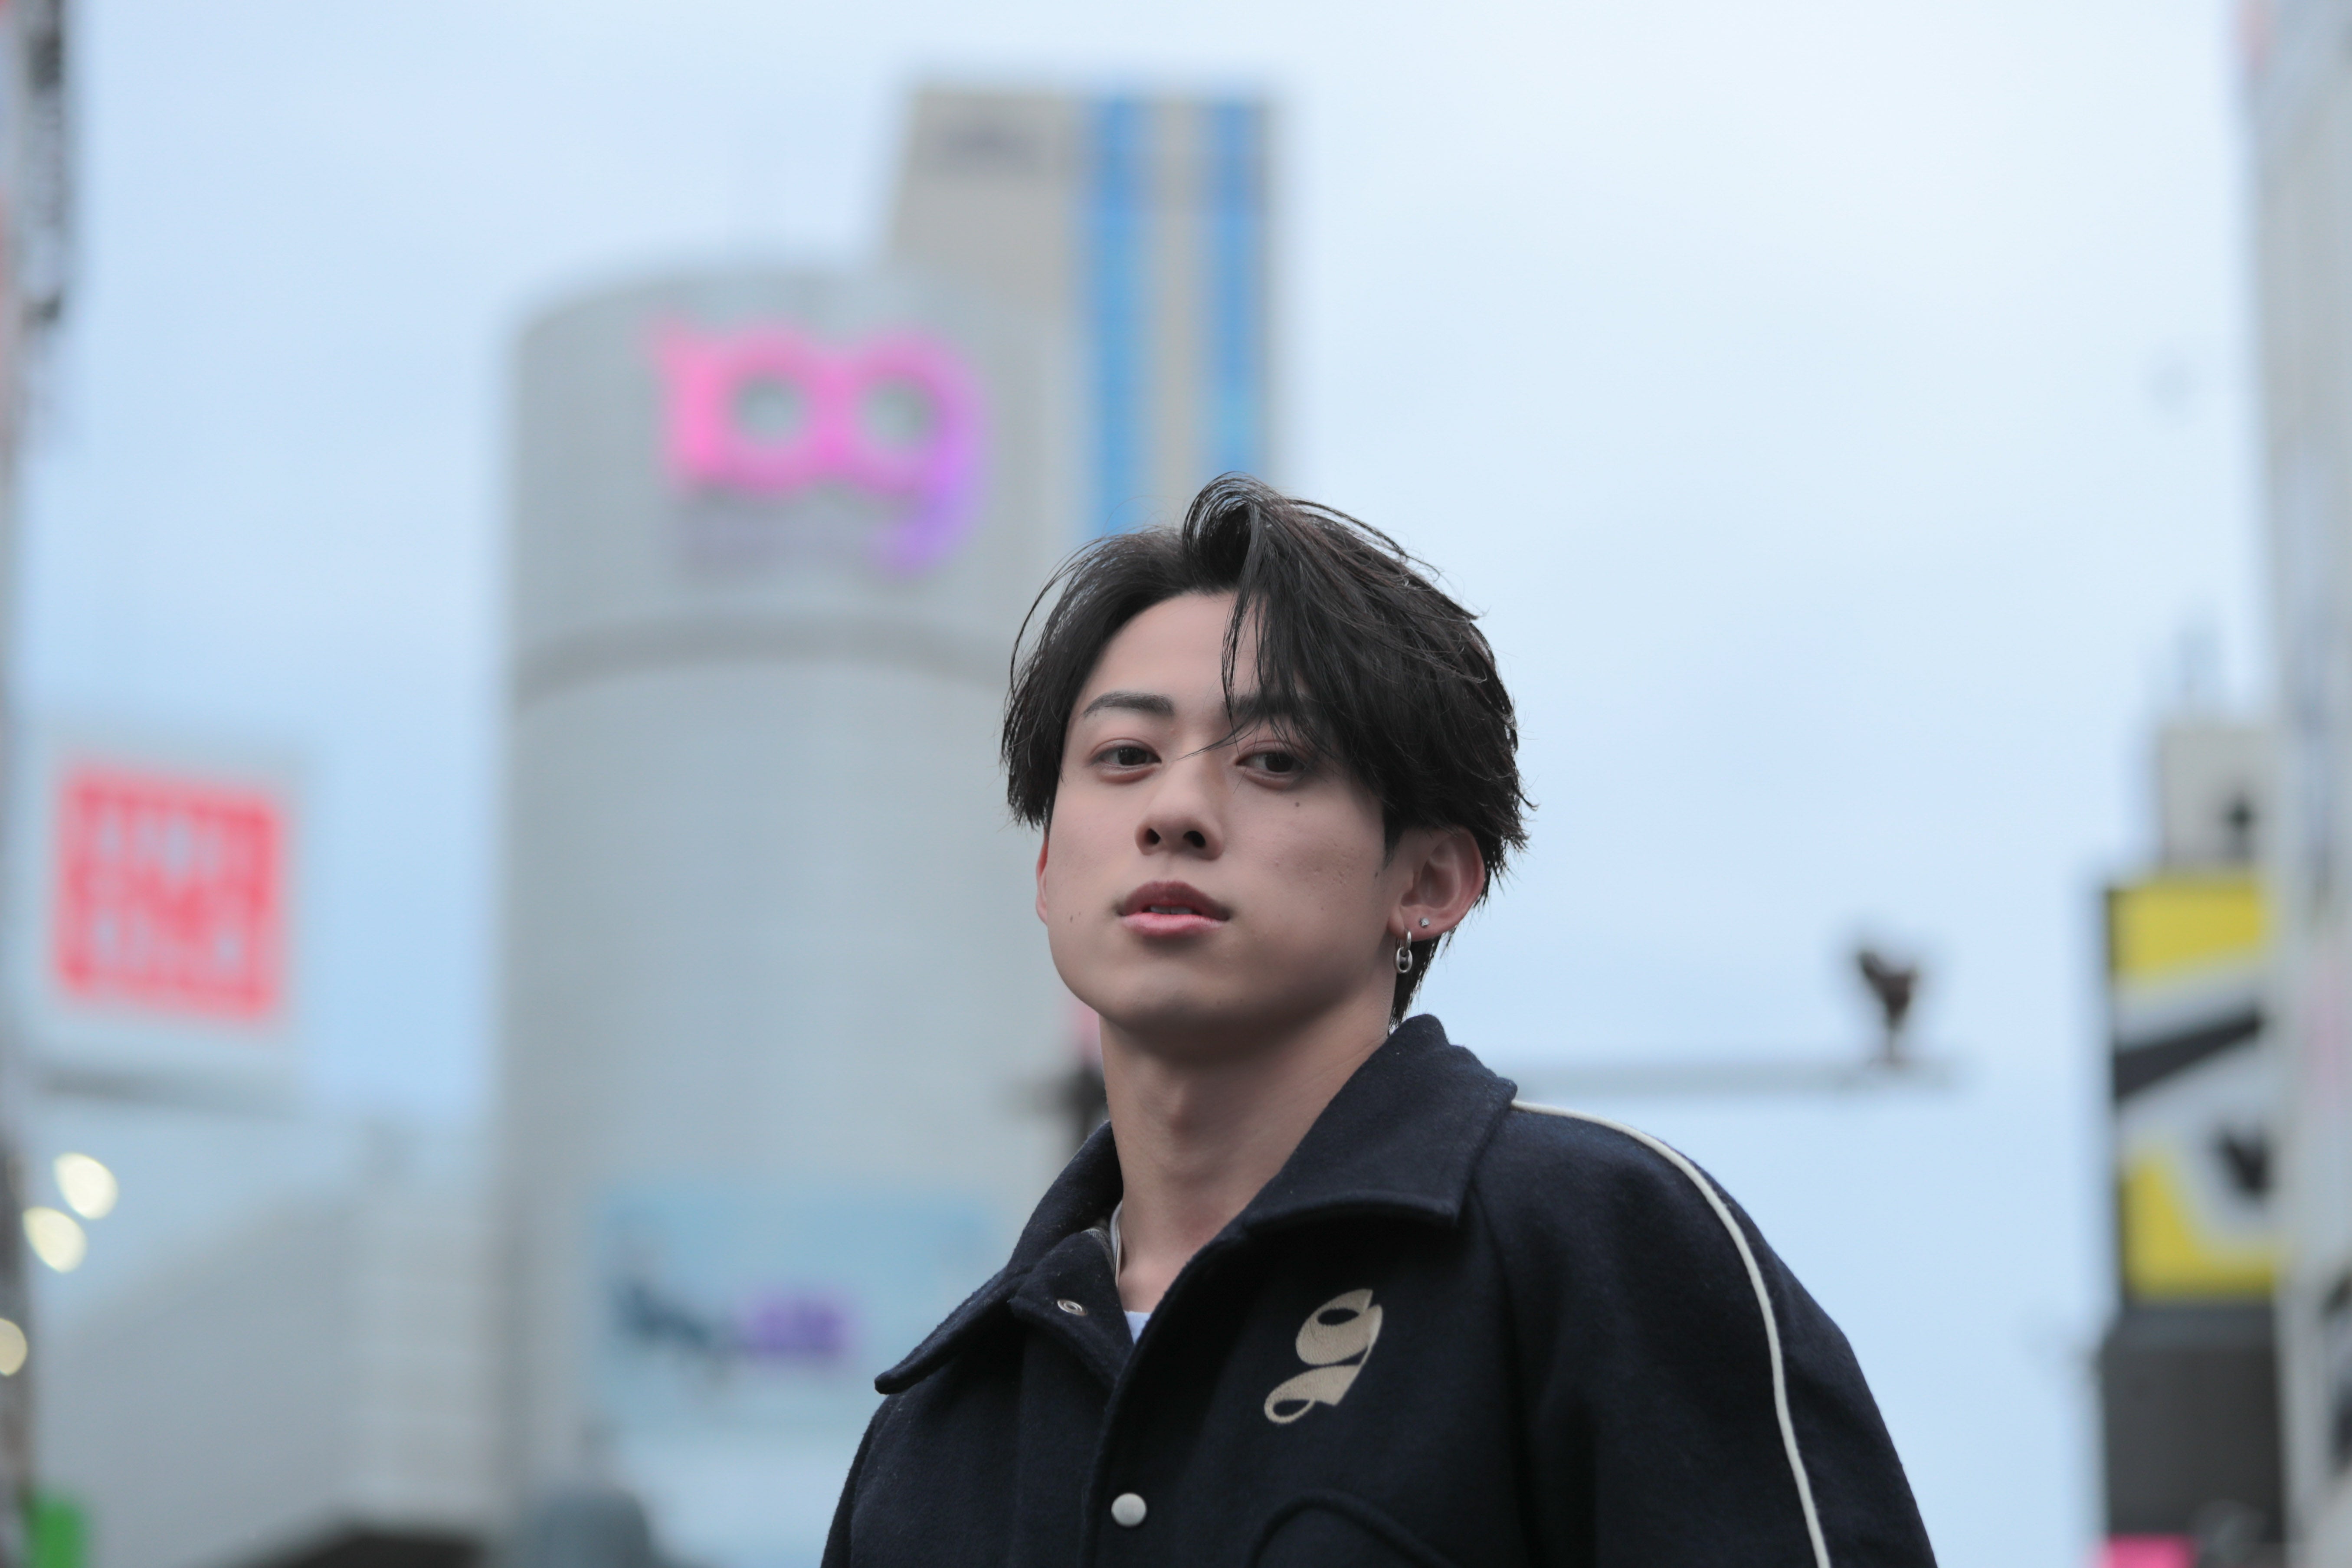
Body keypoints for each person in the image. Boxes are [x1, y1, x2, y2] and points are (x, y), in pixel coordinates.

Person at [823, 476, 1935, 1566]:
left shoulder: (1599, 1241)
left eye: (1273, 760)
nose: (1173, 811)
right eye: (1123, 757)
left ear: (1429, 879)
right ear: (1046, 870)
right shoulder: (938, 1422)